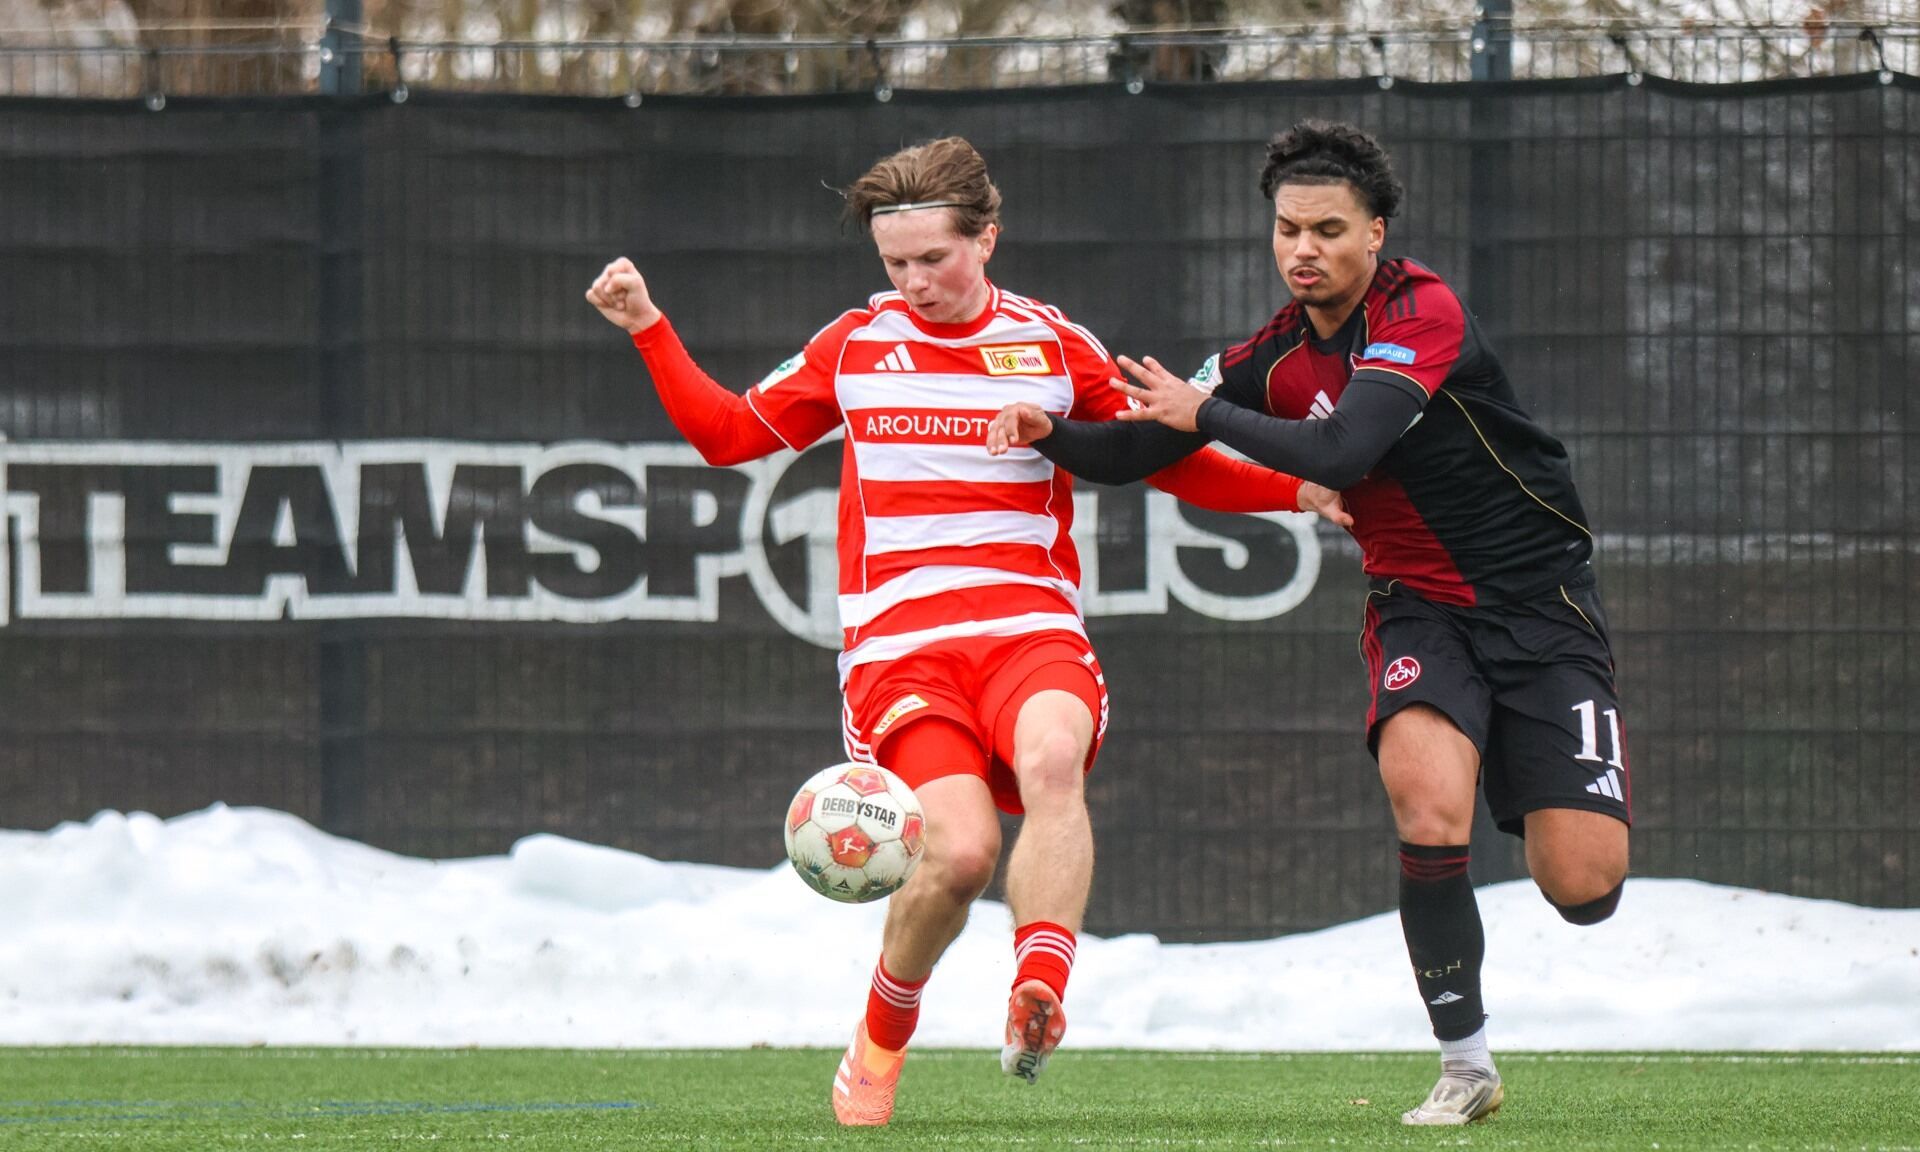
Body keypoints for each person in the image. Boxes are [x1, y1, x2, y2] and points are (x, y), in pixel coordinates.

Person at [586, 136, 1341, 1127]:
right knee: (962, 855)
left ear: (987, 237)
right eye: (895, 264)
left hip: (1030, 625)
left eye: (933, 258)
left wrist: (1301, 490)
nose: (914, 282)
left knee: (1054, 762)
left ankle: (1040, 989)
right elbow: (730, 435)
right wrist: (648, 326)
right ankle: (879, 1037)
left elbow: (1161, 459)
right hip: (903, 647)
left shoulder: (1052, 345)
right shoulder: (855, 345)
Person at [987, 120, 1632, 1126]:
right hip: (1420, 611)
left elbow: (1341, 450)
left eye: (1329, 229)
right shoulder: (1271, 355)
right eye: (1288, 229)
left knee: (1585, 887)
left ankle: (1533, 766)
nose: (1304, 249)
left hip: (1541, 606)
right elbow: (1130, 455)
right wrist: (1053, 433)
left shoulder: (1422, 310)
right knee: (1425, 810)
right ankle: (1466, 1064)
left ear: (1376, 232)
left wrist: (1200, 412)